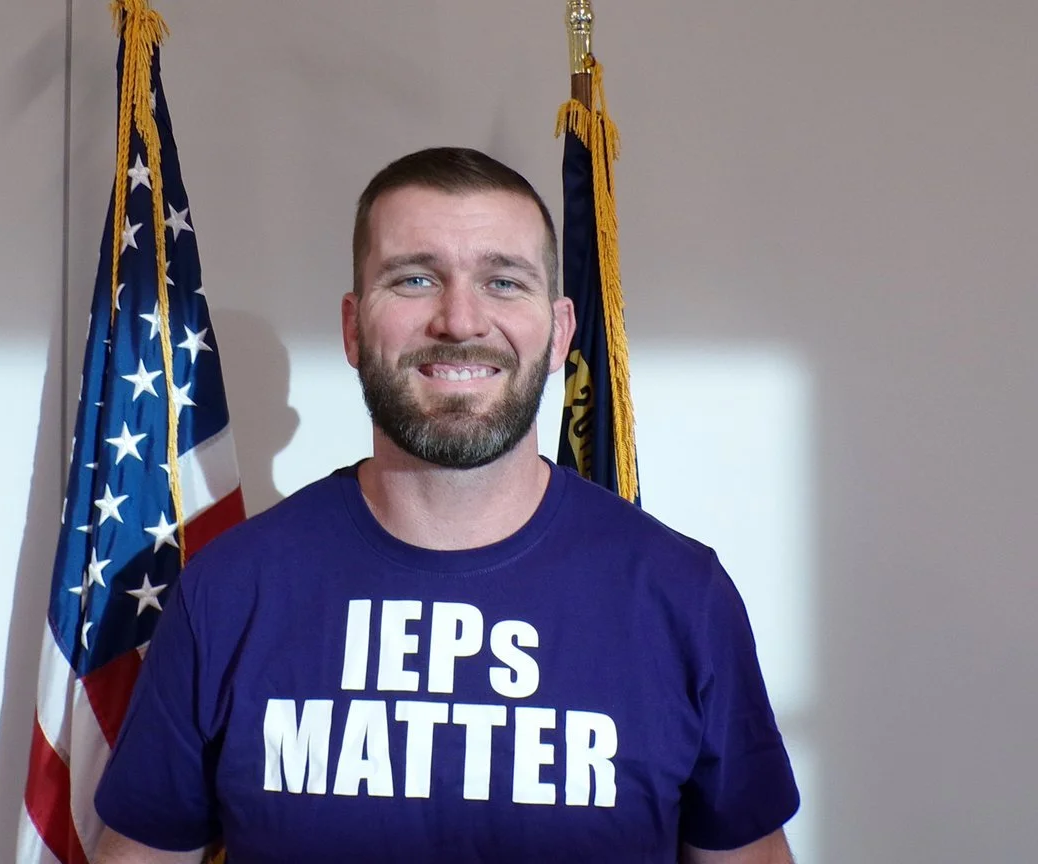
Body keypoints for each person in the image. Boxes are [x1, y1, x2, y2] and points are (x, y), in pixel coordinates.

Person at [94, 147, 799, 863]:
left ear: (559, 332)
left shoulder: (681, 597)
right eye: (415, 279)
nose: (460, 320)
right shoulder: (231, 589)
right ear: (351, 327)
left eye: (502, 281)